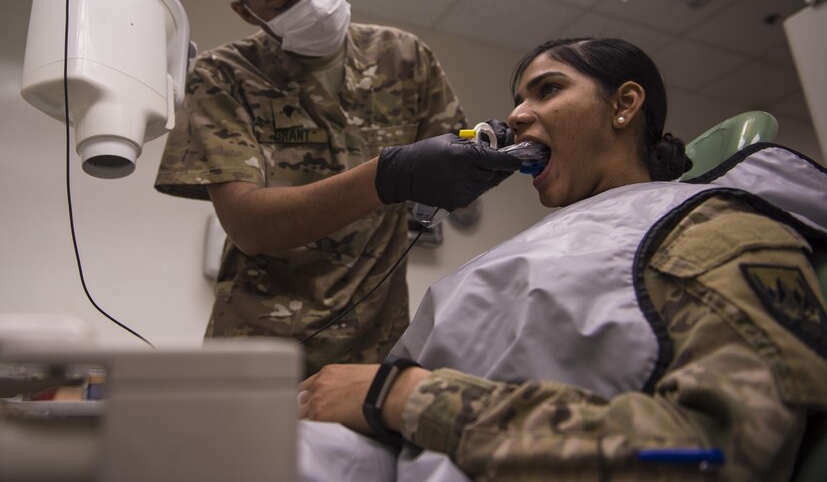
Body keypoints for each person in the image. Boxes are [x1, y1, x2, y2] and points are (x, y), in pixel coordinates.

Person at [295, 37, 827, 481]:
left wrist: (407, 397)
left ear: (624, 104)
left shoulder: (713, 226)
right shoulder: (546, 243)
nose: (516, 115)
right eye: (518, 100)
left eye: (548, 90)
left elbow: (721, 454)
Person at [154, 0, 520, 376]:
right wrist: (387, 176)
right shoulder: (223, 77)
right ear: (246, 12)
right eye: (283, 0)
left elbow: (459, 183)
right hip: (257, 350)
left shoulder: (404, 59)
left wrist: (493, 152)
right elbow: (250, 225)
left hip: (375, 346)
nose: (312, 1)